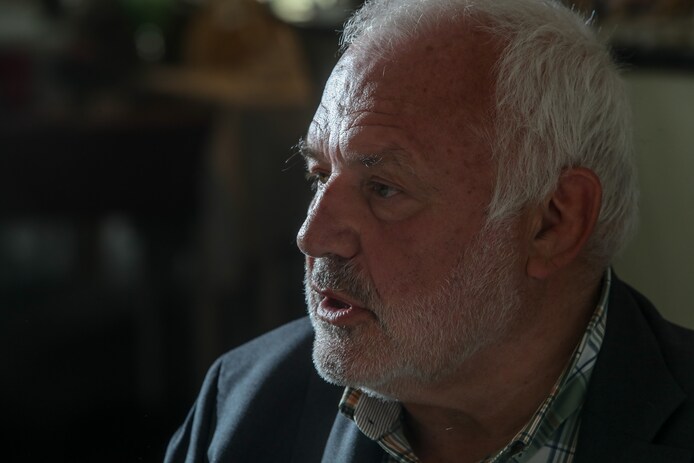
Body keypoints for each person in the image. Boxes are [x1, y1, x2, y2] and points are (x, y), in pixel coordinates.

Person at [165, 0, 694, 461]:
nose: (313, 236)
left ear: (554, 222)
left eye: (383, 189)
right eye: (320, 175)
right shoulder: (242, 406)